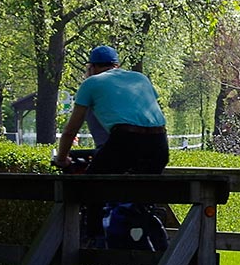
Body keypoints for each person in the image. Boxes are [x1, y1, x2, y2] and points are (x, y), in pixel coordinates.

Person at [52, 45, 168, 176]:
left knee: (88, 187)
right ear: (117, 65)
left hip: (125, 140)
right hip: (159, 142)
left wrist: (61, 159)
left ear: (91, 67)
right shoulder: (141, 78)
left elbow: (70, 131)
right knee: (143, 192)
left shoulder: (91, 83)